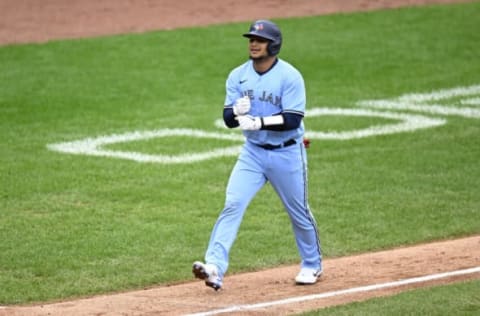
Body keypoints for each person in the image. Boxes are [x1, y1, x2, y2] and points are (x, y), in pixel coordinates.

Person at [192, 19, 322, 290]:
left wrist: (260, 122)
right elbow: (228, 119)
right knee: (232, 204)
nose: (253, 43)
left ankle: (312, 265)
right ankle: (215, 266)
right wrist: (236, 112)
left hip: (286, 153)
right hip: (252, 154)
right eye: (251, 39)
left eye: (259, 40)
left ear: (272, 44)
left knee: (298, 212)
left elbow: (293, 119)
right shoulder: (238, 75)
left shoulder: (289, 76)